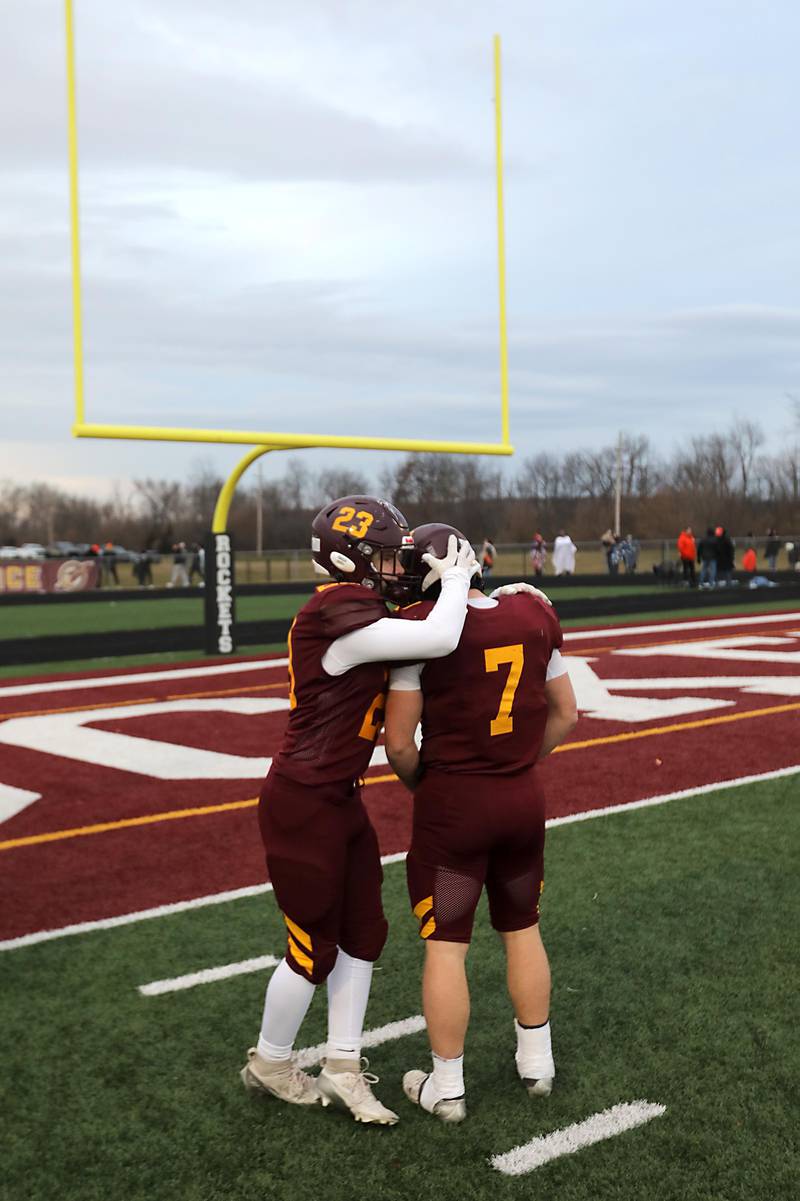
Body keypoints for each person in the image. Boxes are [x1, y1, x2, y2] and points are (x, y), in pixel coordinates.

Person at [242, 496, 480, 1126]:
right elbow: (438, 634)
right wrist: (456, 579)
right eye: (382, 553)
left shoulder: (361, 611)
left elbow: (425, 643)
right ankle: (270, 1060)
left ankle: (344, 1065)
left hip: (340, 797)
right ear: (347, 556)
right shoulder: (333, 612)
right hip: (303, 802)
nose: (394, 565)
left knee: (365, 933)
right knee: (312, 947)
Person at [384, 523, 577, 1124]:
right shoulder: (533, 612)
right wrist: (514, 764)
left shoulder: (419, 631)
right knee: (523, 927)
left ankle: (448, 1088)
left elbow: (397, 746)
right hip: (522, 803)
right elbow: (568, 712)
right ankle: (537, 1065)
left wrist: (433, 785)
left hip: (455, 813)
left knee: (447, 946)